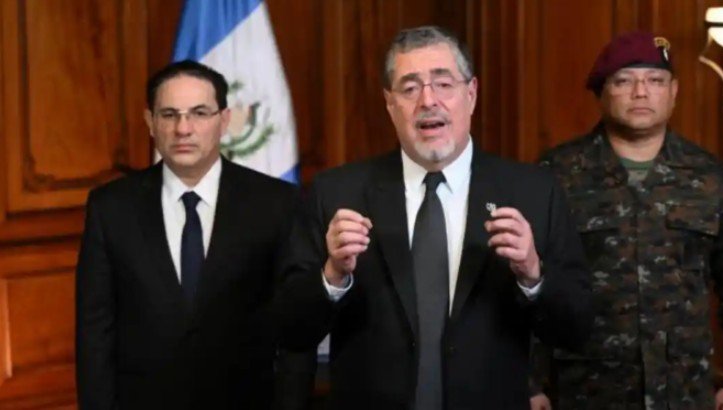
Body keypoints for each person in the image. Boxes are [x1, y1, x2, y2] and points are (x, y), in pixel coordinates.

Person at [274, 25, 592, 409]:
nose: (428, 100)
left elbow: (577, 328)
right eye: (410, 88)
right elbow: (291, 329)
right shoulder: (337, 193)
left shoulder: (533, 192)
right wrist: (332, 277)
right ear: (390, 104)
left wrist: (533, 275)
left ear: (471, 94)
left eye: (443, 84)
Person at [538, 31, 723, 409]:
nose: (641, 92)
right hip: (586, 390)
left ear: (674, 91)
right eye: (624, 81)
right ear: (601, 92)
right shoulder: (556, 174)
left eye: (655, 80)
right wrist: (530, 383)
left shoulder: (711, 177)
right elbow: (529, 283)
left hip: (683, 390)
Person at [75, 60, 313, 409]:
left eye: (199, 113)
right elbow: (94, 331)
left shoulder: (277, 203)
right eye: (169, 114)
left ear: (224, 120)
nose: (183, 128)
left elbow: (296, 328)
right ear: (150, 122)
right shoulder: (110, 207)